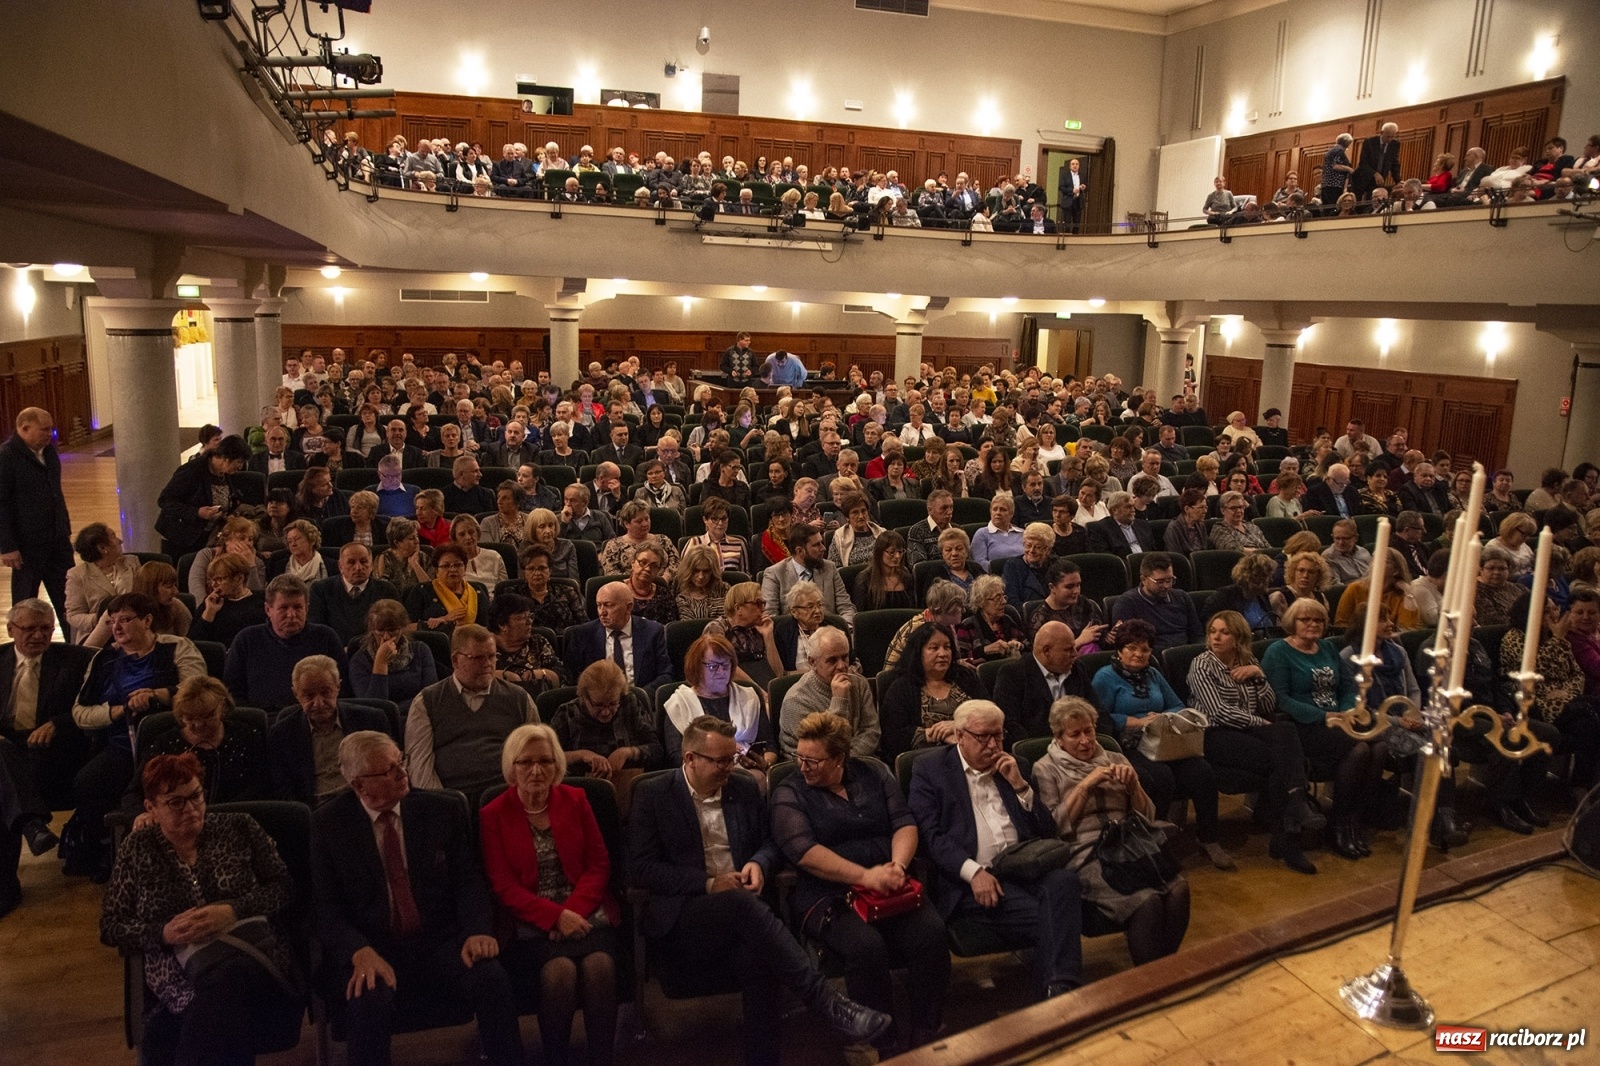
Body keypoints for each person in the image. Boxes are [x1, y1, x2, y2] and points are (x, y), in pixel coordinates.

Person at [627, 715, 892, 1065]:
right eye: (720, 761)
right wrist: (708, 883)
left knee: (759, 956)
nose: (729, 768)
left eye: (731, 758)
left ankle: (763, 1058)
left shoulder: (743, 786)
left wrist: (758, 863)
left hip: (747, 916)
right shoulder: (654, 793)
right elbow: (642, 868)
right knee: (740, 905)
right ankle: (827, 1002)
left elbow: (770, 841)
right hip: (687, 914)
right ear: (689, 759)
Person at [312, 731, 522, 1066]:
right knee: (366, 998)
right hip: (373, 944)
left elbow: (468, 882)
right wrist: (358, 951)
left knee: (490, 977)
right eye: (389, 770)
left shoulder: (441, 809)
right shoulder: (329, 824)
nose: (402, 773)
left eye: (401, 762)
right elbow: (326, 907)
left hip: (439, 939)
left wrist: (477, 930)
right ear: (358, 785)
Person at [100, 753, 304, 1066]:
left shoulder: (239, 827)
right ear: (151, 807)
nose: (192, 808)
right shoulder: (137, 848)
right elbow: (112, 925)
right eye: (175, 802)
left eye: (196, 796)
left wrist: (233, 910)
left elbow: (285, 888)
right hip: (177, 978)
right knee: (204, 1021)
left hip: (253, 959)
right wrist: (163, 933)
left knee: (223, 986)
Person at [771, 712, 949, 1050]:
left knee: (932, 934)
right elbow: (805, 852)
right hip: (829, 894)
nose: (803, 766)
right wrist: (866, 875)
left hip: (888, 884)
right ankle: (884, 1040)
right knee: (866, 947)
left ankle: (928, 1028)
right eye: (800, 757)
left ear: (839, 758)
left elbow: (903, 822)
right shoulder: (788, 792)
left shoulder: (874, 774)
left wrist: (898, 866)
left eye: (813, 760)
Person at [907, 699, 1083, 1000]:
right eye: (982, 736)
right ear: (960, 736)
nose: (993, 744)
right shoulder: (931, 769)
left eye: (998, 735)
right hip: (975, 879)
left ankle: (1057, 991)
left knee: (1065, 882)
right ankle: (1059, 994)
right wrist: (974, 872)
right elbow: (930, 837)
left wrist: (1020, 787)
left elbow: (1046, 831)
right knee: (1052, 918)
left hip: (1025, 866)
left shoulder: (1014, 767)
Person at [480, 725, 620, 1066]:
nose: (536, 770)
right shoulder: (492, 814)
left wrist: (572, 912)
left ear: (557, 765)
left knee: (599, 966)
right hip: (530, 922)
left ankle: (603, 1059)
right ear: (511, 768)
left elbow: (599, 865)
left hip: (586, 911)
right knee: (559, 972)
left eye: (545, 761)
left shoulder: (576, 800)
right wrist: (554, 917)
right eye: (525, 762)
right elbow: (503, 886)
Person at [1032, 696, 1191, 962]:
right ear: (1059, 738)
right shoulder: (1046, 768)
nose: (1085, 740)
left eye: (1089, 731)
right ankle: (1150, 980)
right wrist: (1084, 787)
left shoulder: (1116, 758)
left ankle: (1165, 972)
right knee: (1147, 902)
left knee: (1179, 891)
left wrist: (1133, 787)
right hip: (1087, 853)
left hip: (1132, 845)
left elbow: (1148, 816)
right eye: (1075, 735)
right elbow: (1053, 827)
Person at [1090, 619, 1233, 869]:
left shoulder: (1153, 673)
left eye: (1145, 649)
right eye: (1132, 648)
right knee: (1161, 777)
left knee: (1202, 771)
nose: (1139, 654)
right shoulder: (1105, 677)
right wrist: (1134, 721)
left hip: (1163, 740)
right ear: (1120, 650)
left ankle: (1209, 838)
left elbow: (1177, 704)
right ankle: (1155, 842)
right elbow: (1097, 716)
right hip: (1129, 744)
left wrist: (1164, 717)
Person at [1188, 611, 1323, 874]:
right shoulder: (1202, 664)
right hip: (1215, 735)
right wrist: (1261, 723)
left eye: (1224, 632)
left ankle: (1288, 828)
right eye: (1212, 631)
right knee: (1284, 759)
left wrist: (1259, 676)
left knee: (1284, 733)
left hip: (1247, 730)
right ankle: (1292, 825)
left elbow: (1268, 704)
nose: (1216, 637)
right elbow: (1218, 712)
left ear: (1238, 637)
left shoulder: (1247, 660)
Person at [1262, 598, 1388, 860]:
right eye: (1305, 619)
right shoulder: (1278, 652)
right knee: (1360, 749)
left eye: (1318, 620)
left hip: (1339, 720)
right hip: (1303, 726)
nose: (1313, 624)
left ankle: (1354, 820)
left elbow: (1347, 688)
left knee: (1380, 747)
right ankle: (1339, 825)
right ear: (1292, 622)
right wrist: (1324, 715)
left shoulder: (1329, 647)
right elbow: (1280, 698)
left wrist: (1343, 712)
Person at [404, 623, 539, 802]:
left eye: (492, 656)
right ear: (455, 660)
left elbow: (537, 754)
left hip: (508, 796)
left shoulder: (519, 698)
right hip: (452, 797)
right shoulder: (427, 701)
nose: (488, 665)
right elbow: (420, 766)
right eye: (477, 658)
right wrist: (444, 803)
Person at [126, 675, 270, 815]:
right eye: (190, 718)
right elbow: (134, 793)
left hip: (239, 820)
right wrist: (145, 814)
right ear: (180, 715)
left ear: (223, 707)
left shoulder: (248, 736)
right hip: (179, 823)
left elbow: (264, 786)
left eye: (208, 716)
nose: (200, 724)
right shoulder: (164, 744)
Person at [268, 655, 392, 807]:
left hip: (367, 804)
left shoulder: (371, 720)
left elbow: (389, 772)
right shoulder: (282, 734)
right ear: (296, 694)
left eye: (326, 692)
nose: (318, 703)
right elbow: (285, 793)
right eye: (309, 695)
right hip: (315, 811)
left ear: (338, 687)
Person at [223, 576, 347, 712]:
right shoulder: (246, 640)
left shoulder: (326, 637)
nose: (291, 615)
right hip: (263, 721)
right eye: (283, 608)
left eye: (298, 607)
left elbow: (343, 689)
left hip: (314, 717)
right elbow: (232, 694)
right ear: (268, 610)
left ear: (307, 609)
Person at [0, 408, 73, 635]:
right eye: (44, 429)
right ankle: (24, 649)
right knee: (25, 604)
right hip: (27, 545)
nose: (50, 434)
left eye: (50, 428)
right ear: (24, 429)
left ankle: (76, 651)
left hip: (57, 540)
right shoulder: (6, 457)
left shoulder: (49, 452)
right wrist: (7, 547)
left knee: (69, 600)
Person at [879, 622, 987, 759]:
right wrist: (933, 734)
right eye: (934, 648)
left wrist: (960, 726)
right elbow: (893, 737)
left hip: (976, 754)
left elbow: (989, 712)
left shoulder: (965, 677)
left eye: (947, 647)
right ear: (919, 653)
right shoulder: (902, 688)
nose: (942, 653)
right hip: (928, 759)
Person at [547, 660, 662, 789]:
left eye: (613, 704)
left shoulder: (630, 704)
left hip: (628, 785)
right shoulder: (568, 713)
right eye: (598, 705)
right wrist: (582, 755)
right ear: (584, 697)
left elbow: (656, 750)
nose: (606, 712)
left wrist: (628, 752)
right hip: (580, 788)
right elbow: (548, 758)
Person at [777, 626, 881, 757]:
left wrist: (846, 762)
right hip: (810, 769)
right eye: (832, 660)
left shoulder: (859, 683)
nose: (842, 666)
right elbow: (823, 749)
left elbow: (871, 732)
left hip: (856, 762)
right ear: (812, 662)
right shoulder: (796, 700)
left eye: (845, 657)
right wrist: (839, 701)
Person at [155, 435, 253, 556]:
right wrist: (197, 512)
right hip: (180, 538)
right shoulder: (192, 470)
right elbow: (165, 500)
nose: (240, 466)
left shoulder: (226, 474)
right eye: (239, 462)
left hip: (206, 538)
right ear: (226, 458)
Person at [566, 581, 672, 689]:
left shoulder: (652, 632)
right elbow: (572, 680)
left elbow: (665, 675)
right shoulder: (583, 635)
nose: (602, 612)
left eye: (608, 605)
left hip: (642, 700)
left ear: (628, 608)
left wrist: (641, 698)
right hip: (598, 703)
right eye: (599, 605)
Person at [759, 522, 856, 625]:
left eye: (821, 543)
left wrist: (846, 628)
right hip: (793, 636)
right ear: (800, 551)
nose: (823, 548)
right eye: (816, 545)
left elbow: (846, 607)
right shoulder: (774, 574)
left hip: (829, 632)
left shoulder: (829, 568)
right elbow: (770, 616)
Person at [64, 523, 140, 646]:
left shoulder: (132, 562)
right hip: (96, 635)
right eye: (114, 536)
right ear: (102, 548)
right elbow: (73, 615)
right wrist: (102, 619)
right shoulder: (77, 575)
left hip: (133, 631)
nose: (120, 541)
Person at [1111, 553, 1202, 652]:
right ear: (1144, 580)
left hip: (1186, 654)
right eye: (1160, 582)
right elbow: (1127, 645)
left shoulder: (1182, 597)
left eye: (1170, 580)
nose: (1166, 586)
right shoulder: (1127, 603)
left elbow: (1197, 634)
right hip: (1151, 657)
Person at [309, 543, 398, 642]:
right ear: (340, 566)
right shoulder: (320, 590)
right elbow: (317, 631)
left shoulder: (386, 590)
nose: (358, 567)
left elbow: (394, 630)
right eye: (351, 562)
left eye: (363, 561)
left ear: (371, 565)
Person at [404, 543, 490, 635]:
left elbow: (490, 626)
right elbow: (405, 627)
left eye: (458, 565)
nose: (452, 569)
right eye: (446, 566)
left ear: (465, 569)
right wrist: (445, 619)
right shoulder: (422, 590)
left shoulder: (478, 590)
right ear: (436, 571)